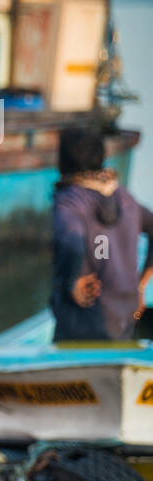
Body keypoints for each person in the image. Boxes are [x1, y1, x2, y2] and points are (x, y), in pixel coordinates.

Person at [50, 128, 153, 341]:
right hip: (124, 321)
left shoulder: (69, 202)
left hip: (80, 325)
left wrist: (73, 281)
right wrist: (141, 286)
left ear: (63, 161)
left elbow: (71, 242)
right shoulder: (126, 199)